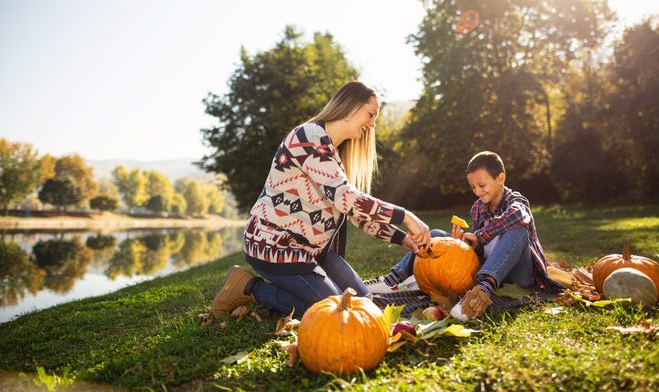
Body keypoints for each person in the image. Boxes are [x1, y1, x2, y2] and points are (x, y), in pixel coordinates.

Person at [209, 81, 432, 321]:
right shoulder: (308, 137)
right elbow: (347, 199)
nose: (372, 123)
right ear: (351, 107)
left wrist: (403, 239)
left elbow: (354, 213)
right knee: (338, 315)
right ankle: (250, 287)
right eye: (370, 114)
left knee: (364, 303)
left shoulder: (332, 154)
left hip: (312, 252)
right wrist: (406, 217)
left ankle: (296, 286)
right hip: (274, 247)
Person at [366, 151, 559, 319]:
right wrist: (466, 246)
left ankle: (480, 294)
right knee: (435, 235)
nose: (477, 192)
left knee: (518, 230)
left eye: (482, 185)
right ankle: (393, 279)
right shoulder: (478, 208)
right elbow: (484, 250)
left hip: (519, 277)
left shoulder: (516, 201)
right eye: (473, 187)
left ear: (500, 178)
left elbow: (517, 217)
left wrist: (481, 235)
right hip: (492, 271)